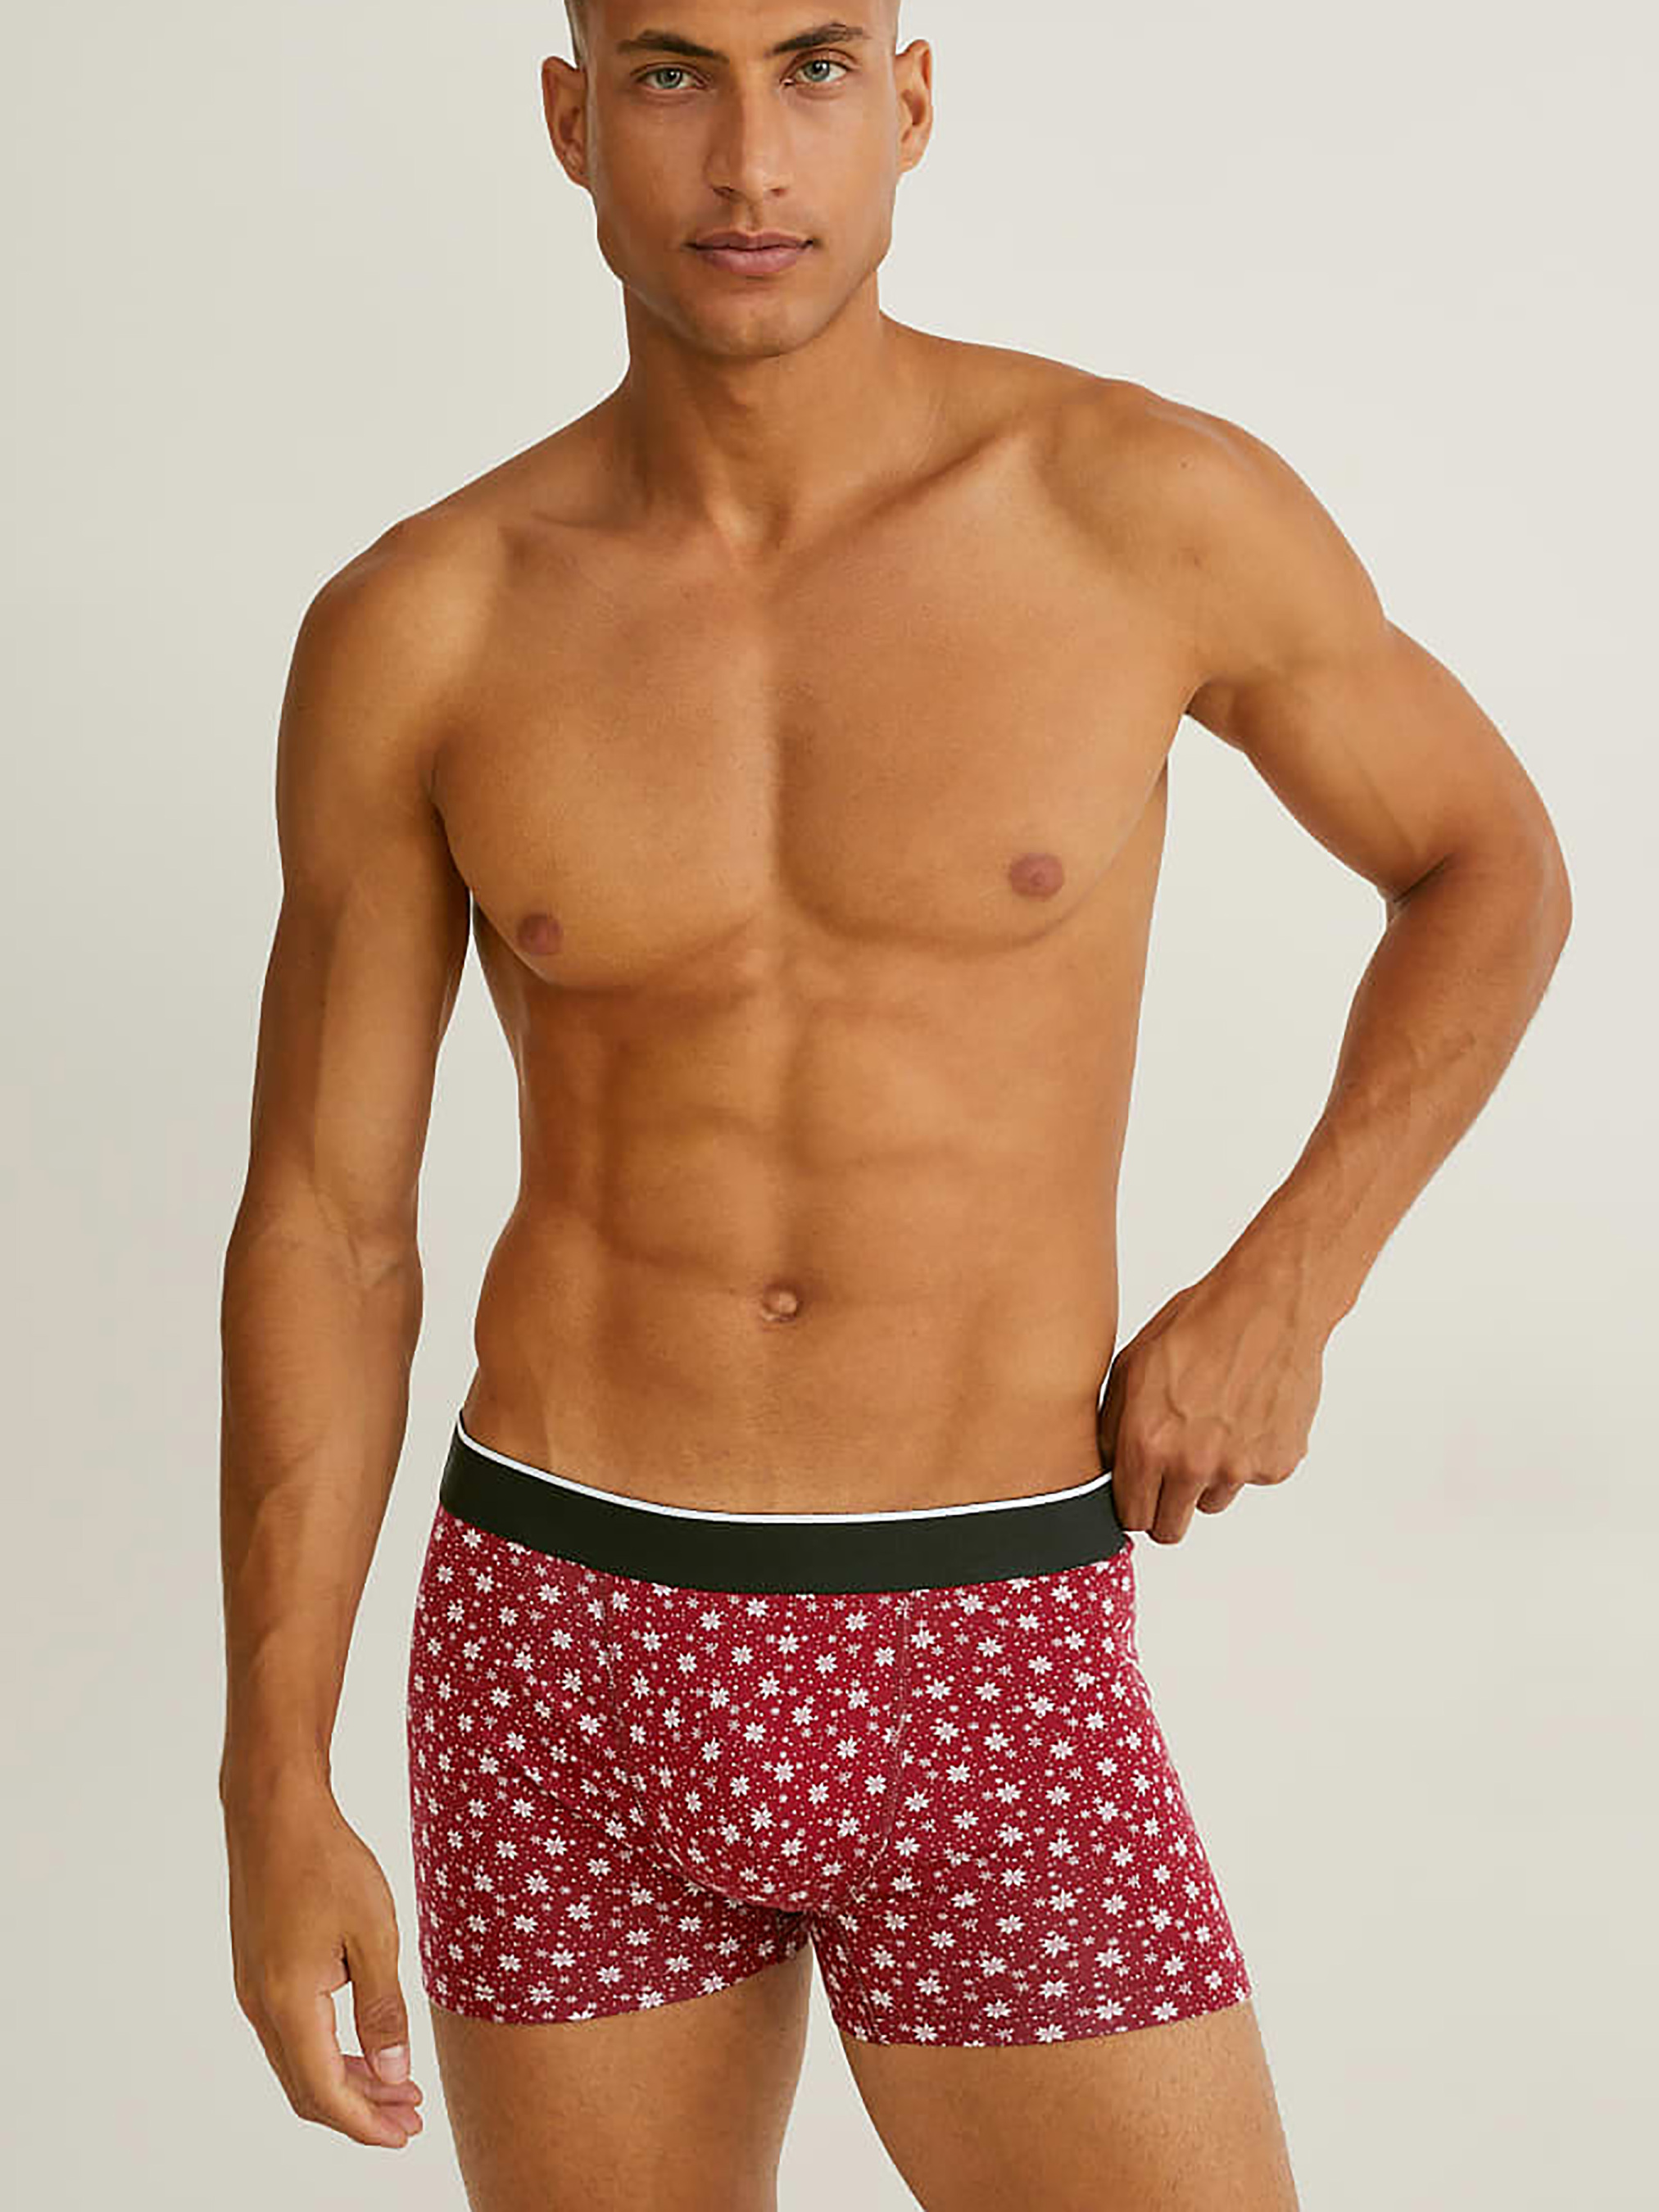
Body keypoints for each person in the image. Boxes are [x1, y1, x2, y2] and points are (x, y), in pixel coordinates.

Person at [215, 4, 1572, 2205]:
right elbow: (326, 1219)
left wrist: (1287, 1285)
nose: (751, 159)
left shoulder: (1136, 509)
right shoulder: (427, 620)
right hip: (563, 1640)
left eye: (817, 66)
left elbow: (1485, 864)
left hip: (990, 1634)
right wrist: (270, 1779)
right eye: (672, 73)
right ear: (571, 118)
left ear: (912, 103)